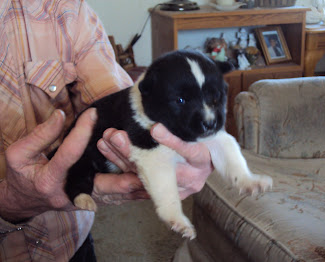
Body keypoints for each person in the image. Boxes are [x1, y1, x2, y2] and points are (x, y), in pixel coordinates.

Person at [0, 0, 213, 261]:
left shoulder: (66, 9)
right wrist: (10, 200)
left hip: (65, 241)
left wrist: (178, 141)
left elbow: (113, 98)